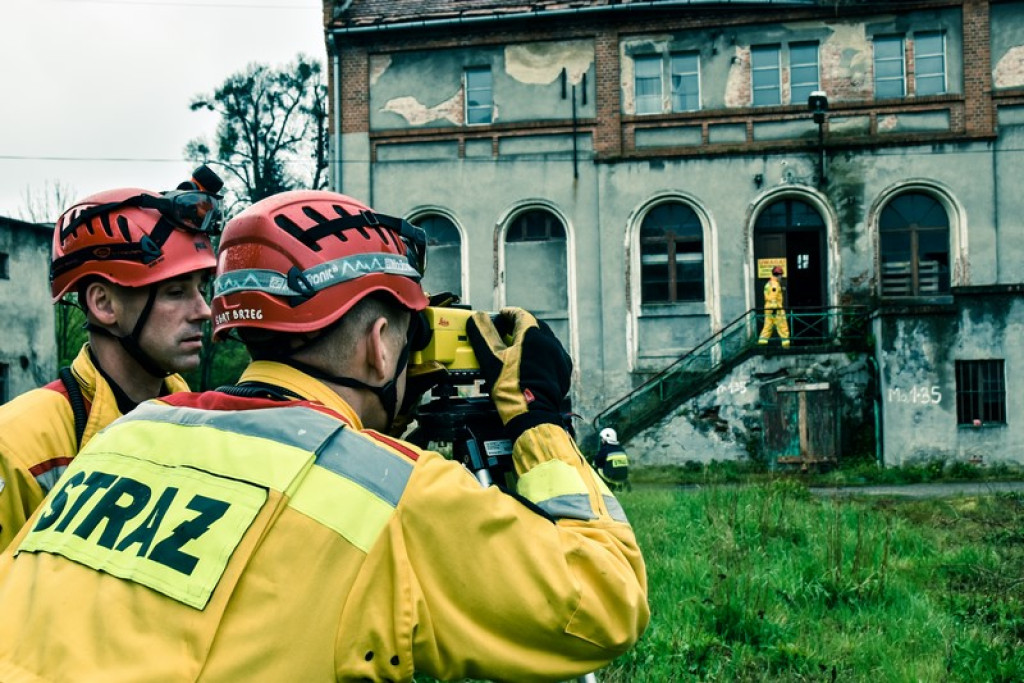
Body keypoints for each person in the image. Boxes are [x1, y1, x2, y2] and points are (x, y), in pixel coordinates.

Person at [0, 190, 649, 682]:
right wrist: (537, 421)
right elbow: (604, 601)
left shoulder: (125, 435)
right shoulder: (393, 491)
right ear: (379, 343)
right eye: (410, 331)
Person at [0, 166, 222, 551]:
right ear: (104, 304)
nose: (203, 310)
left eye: (200, 289)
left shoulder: (198, 422)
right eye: (175, 292)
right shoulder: (17, 443)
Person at [758, 264, 790, 347]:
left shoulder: (768, 283)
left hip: (768, 308)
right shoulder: (775, 284)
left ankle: (762, 342)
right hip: (775, 308)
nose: (781, 277)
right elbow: (773, 295)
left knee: (768, 325)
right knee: (782, 325)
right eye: (781, 275)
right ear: (778, 275)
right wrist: (774, 308)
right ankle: (786, 345)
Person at [594, 427, 631, 492]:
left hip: (611, 478)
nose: (601, 440)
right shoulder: (621, 449)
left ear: (605, 439)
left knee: (596, 469)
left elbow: (597, 463)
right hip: (623, 477)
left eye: (602, 438)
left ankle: (603, 488)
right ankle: (620, 486)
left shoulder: (605, 449)